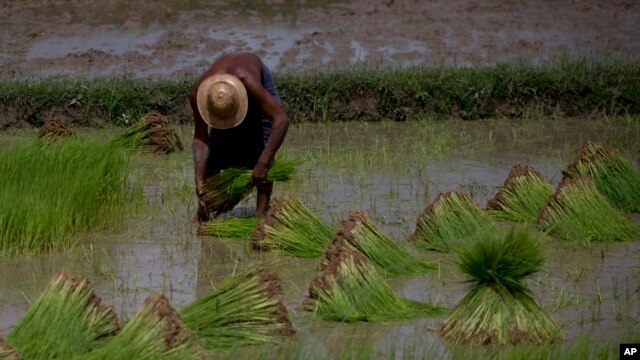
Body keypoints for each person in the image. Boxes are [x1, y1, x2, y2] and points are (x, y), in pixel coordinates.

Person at [189, 52, 290, 222]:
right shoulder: (198, 94)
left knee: (263, 152)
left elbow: (282, 120)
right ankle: (204, 214)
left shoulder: (248, 81)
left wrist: (263, 163)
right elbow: (200, 138)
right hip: (231, 89)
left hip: (256, 88)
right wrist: (199, 179)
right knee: (213, 158)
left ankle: (260, 217)